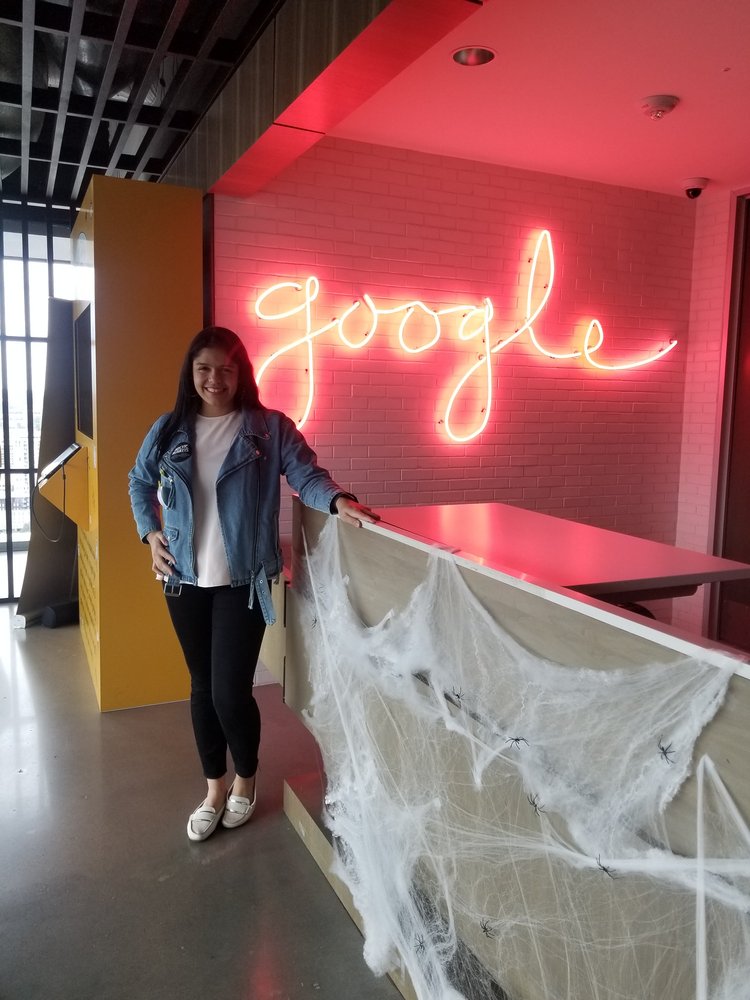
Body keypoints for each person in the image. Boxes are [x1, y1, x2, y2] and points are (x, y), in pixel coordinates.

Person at [128, 325, 377, 842]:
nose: (214, 378)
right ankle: (214, 788)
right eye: (204, 369)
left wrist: (336, 500)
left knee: (230, 691)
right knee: (201, 689)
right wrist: (149, 531)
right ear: (190, 373)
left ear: (241, 373)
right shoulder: (171, 427)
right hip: (182, 580)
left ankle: (246, 779)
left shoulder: (267, 428)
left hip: (244, 582)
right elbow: (138, 480)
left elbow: (305, 473)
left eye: (225, 368)